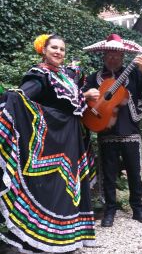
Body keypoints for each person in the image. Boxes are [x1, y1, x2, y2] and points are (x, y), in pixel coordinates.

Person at [0, 34, 96, 253]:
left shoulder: (65, 75)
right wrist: (11, 100)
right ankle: (40, 240)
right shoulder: (39, 75)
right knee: (48, 188)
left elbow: (73, 96)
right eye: (54, 47)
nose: (58, 52)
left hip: (70, 140)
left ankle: (66, 240)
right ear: (43, 50)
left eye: (62, 49)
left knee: (67, 189)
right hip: (49, 142)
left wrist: (86, 93)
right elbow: (23, 97)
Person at [83, 34, 142, 227]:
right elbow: (84, 102)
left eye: (117, 54)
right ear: (104, 56)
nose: (113, 58)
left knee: (134, 172)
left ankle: (138, 209)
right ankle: (110, 210)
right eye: (109, 54)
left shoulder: (133, 73)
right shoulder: (94, 78)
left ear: (123, 56)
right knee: (108, 174)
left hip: (130, 129)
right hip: (105, 130)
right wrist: (89, 97)